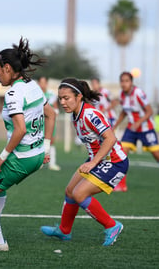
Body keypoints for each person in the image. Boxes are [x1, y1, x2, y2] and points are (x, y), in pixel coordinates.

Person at [0, 37, 56, 251]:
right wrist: (45, 148)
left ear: (8, 68)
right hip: (36, 155)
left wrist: (2, 157)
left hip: (21, 157)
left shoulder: (13, 93)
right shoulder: (33, 86)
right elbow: (51, 114)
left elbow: (19, 130)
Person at [41, 78, 128, 246]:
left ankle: (112, 226)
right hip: (97, 160)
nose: (63, 102)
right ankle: (64, 231)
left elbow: (110, 139)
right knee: (70, 191)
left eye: (66, 98)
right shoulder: (76, 115)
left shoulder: (90, 114)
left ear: (79, 96)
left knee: (79, 194)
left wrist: (93, 162)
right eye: (60, 98)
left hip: (114, 162)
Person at [113, 71, 159, 191]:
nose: (124, 83)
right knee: (122, 154)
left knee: (158, 156)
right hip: (131, 129)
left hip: (146, 129)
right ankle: (121, 185)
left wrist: (139, 122)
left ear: (131, 82)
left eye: (126, 81)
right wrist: (115, 125)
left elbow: (149, 111)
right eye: (122, 81)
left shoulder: (138, 93)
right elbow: (124, 112)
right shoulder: (122, 95)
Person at [38, 76, 61, 171]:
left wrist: (51, 113)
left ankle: (52, 163)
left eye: (44, 82)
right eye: (40, 82)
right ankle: (38, 163)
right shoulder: (36, 94)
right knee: (38, 142)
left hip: (49, 122)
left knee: (51, 141)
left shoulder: (51, 94)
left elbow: (56, 109)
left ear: (46, 83)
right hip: (39, 122)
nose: (42, 84)